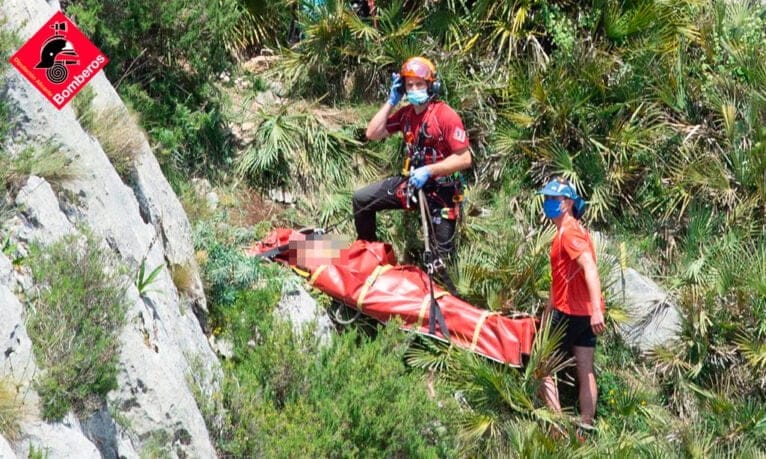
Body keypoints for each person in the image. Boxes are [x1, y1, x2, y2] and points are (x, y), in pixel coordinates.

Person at [352, 57, 472, 287]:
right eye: (410, 85)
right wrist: (391, 101)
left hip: (441, 192)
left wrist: (430, 169)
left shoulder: (444, 115)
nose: (415, 89)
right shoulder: (406, 115)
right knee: (362, 200)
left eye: (419, 84)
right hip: (413, 185)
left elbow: (465, 158)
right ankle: (368, 258)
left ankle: (445, 302)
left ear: (431, 86)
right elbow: (372, 133)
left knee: (441, 262)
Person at [537, 177, 606, 439]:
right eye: (547, 199)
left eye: (553, 199)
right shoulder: (570, 231)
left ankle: (556, 426)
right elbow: (560, 280)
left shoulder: (570, 233)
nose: (547, 204)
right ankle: (585, 428)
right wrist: (546, 313)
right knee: (585, 367)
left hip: (571, 313)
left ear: (566, 203)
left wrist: (597, 309)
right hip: (581, 313)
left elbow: (589, 267)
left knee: (543, 366)